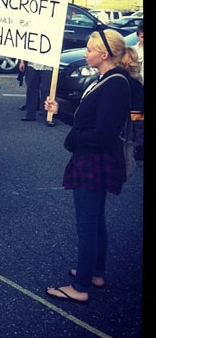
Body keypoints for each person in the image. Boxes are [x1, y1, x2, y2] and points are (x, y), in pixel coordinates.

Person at [43, 28, 140, 304]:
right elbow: (87, 121)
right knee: (95, 220)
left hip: (94, 160)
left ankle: (81, 285)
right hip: (93, 158)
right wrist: (60, 112)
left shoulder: (115, 83)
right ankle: (95, 272)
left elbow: (103, 134)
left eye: (89, 49)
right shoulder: (106, 79)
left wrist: (73, 140)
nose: (85, 53)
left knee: (87, 224)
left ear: (104, 54)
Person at [19, 60, 55, 126]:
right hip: (32, 64)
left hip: (48, 65)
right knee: (31, 89)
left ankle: (48, 117)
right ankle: (30, 114)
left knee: (47, 91)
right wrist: (22, 61)